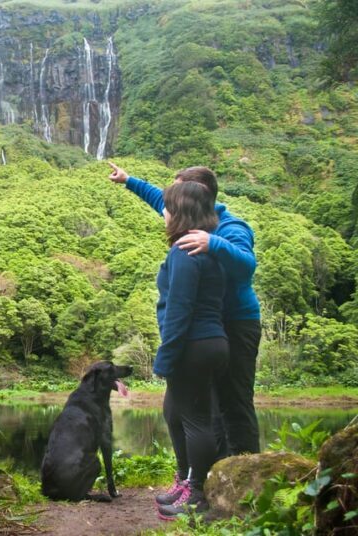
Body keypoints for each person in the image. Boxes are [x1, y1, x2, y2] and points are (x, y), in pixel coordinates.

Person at [108, 162, 261, 459]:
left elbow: (247, 265)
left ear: (198, 194)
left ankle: (247, 473)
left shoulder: (231, 228)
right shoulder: (188, 217)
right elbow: (160, 199)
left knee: (235, 400)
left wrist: (213, 243)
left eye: (178, 193)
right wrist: (129, 180)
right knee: (207, 407)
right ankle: (215, 472)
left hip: (236, 322)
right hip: (207, 327)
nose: (170, 203)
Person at [151, 181, 229, 518]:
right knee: (175, 412)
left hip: (194, 345)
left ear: (180, 213)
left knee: (195, 420)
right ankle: (186, 482)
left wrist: (165, 358)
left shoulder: (184, 251)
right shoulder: (205, 248)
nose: (164, 213)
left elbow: (179, 309)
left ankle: (197, 494)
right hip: (208, 342)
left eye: (168, 208)